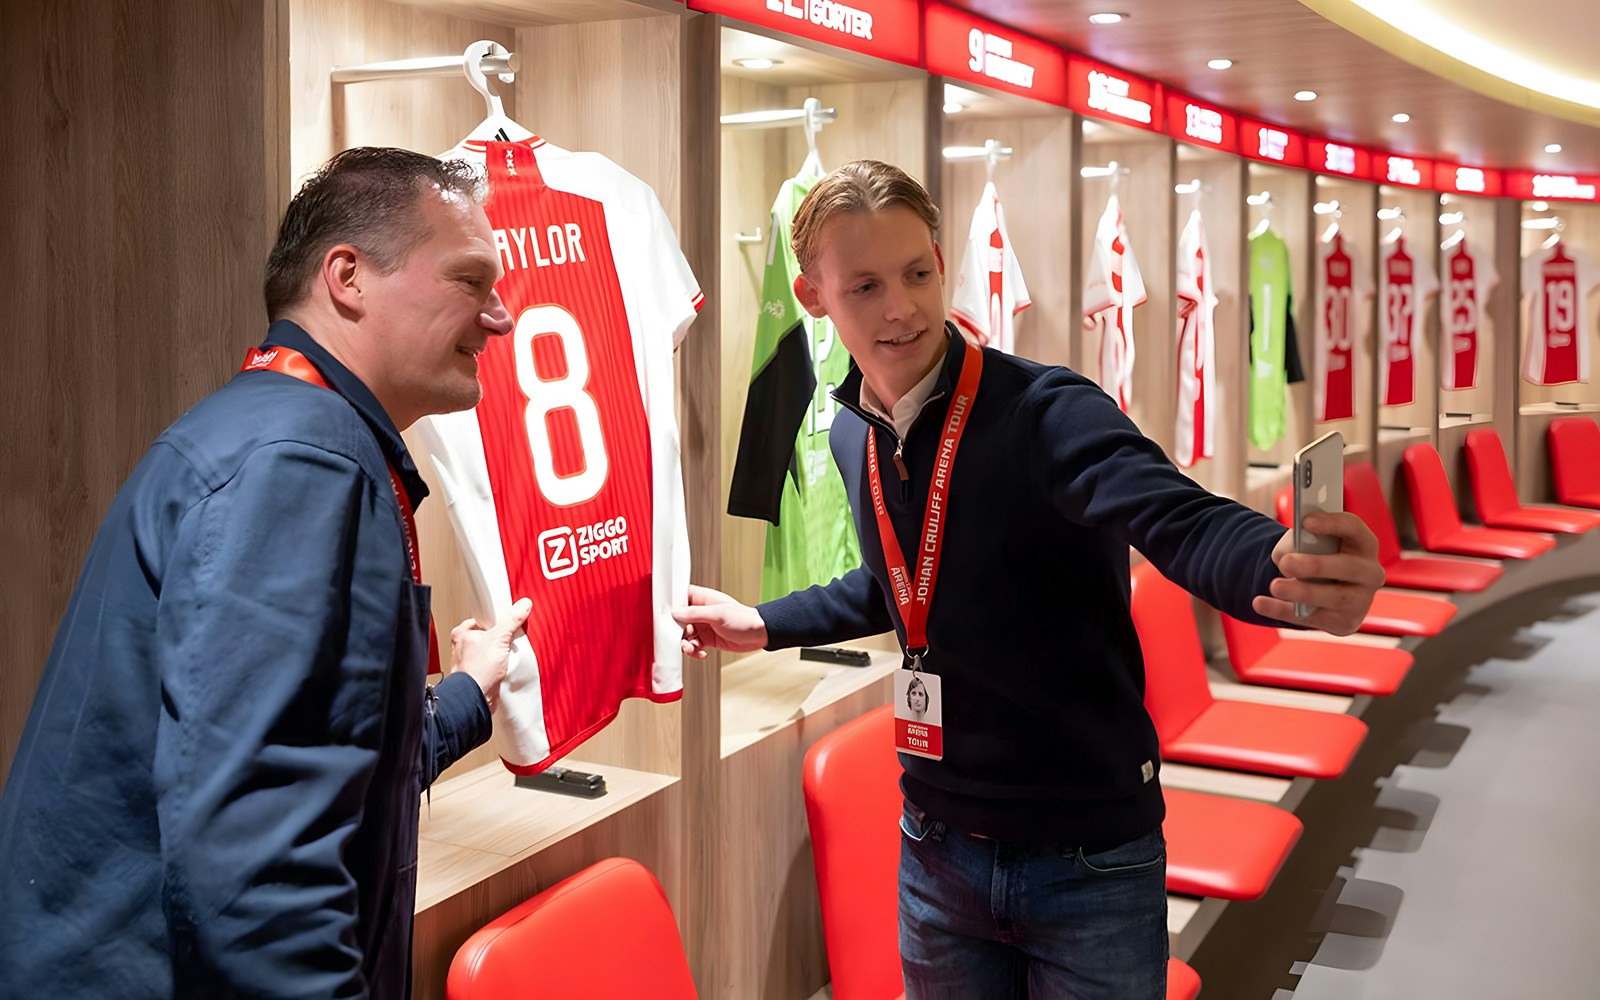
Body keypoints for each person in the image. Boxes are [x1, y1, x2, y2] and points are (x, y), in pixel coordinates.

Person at [675, 159, 1385, 999]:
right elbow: (906, 588)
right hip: (937, 846)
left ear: (942, 261)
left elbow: (1178, 518)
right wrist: (764, 622)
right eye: (864, 286)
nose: (900, 307)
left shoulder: (1048, 412)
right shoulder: (851, 433)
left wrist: (1277, 564)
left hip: (1087, 855)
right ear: (812, 296)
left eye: (917, 273)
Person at [0, 147, 533, 999]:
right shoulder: (300, 462)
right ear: (348, 276)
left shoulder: (284, 432)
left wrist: (469, 687)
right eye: (470, 281)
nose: (500, 317)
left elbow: (330, 753)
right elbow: (256, 865)